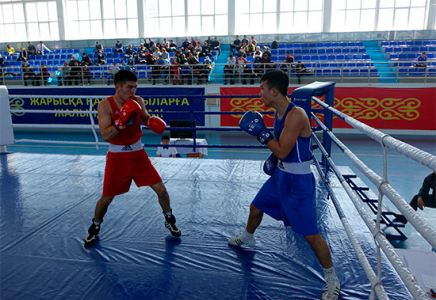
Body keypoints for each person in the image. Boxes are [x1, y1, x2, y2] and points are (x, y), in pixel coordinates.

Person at [230, 70, 340, 300]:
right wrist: (274, 159)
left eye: (262, 89)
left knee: (311, 236)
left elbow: (281, 148)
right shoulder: (278, 113)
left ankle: (331, 279)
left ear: (274, 91)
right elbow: (281, 149)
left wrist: (262, 134)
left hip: (298, 185)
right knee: (255, 207)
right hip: (280, 178)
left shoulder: (296, 115)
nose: (259, 93)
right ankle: (248, 236)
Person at [84, 70, 181, 247]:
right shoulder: (105, 106)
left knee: (161, 190)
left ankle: (169, 218)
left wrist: (153, 122)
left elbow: (145, 119)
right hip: (117, 157)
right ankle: (95, 227)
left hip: (138, 155)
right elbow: (106, 136)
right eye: (129, 87)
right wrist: (121, 121)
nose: (133, 91)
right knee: (106, 199)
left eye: (135, 87)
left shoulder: (138, 101)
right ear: (118, 87)